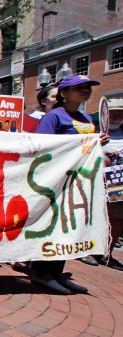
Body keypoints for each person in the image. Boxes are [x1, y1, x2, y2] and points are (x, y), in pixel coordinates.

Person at [32, 74, 110, 294]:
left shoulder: (86, 118)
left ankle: (57, 272)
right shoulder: (53, 117)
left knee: (69, 226)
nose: (86, 91)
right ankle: (41, 273)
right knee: (53, 226)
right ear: (64, 94)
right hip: (57, 182)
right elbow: (42, 146)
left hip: (80, 183)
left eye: (88, 88)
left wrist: (98, 142)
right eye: (79, 88)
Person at [90, 98, 123, 271]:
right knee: (95, 213)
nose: (117, 118)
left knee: (117, 217)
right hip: (98, 179)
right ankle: (88, 249)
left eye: (121, 114)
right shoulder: (94, 131)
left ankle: (106, 253)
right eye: (113, 114)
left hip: (119, 182)